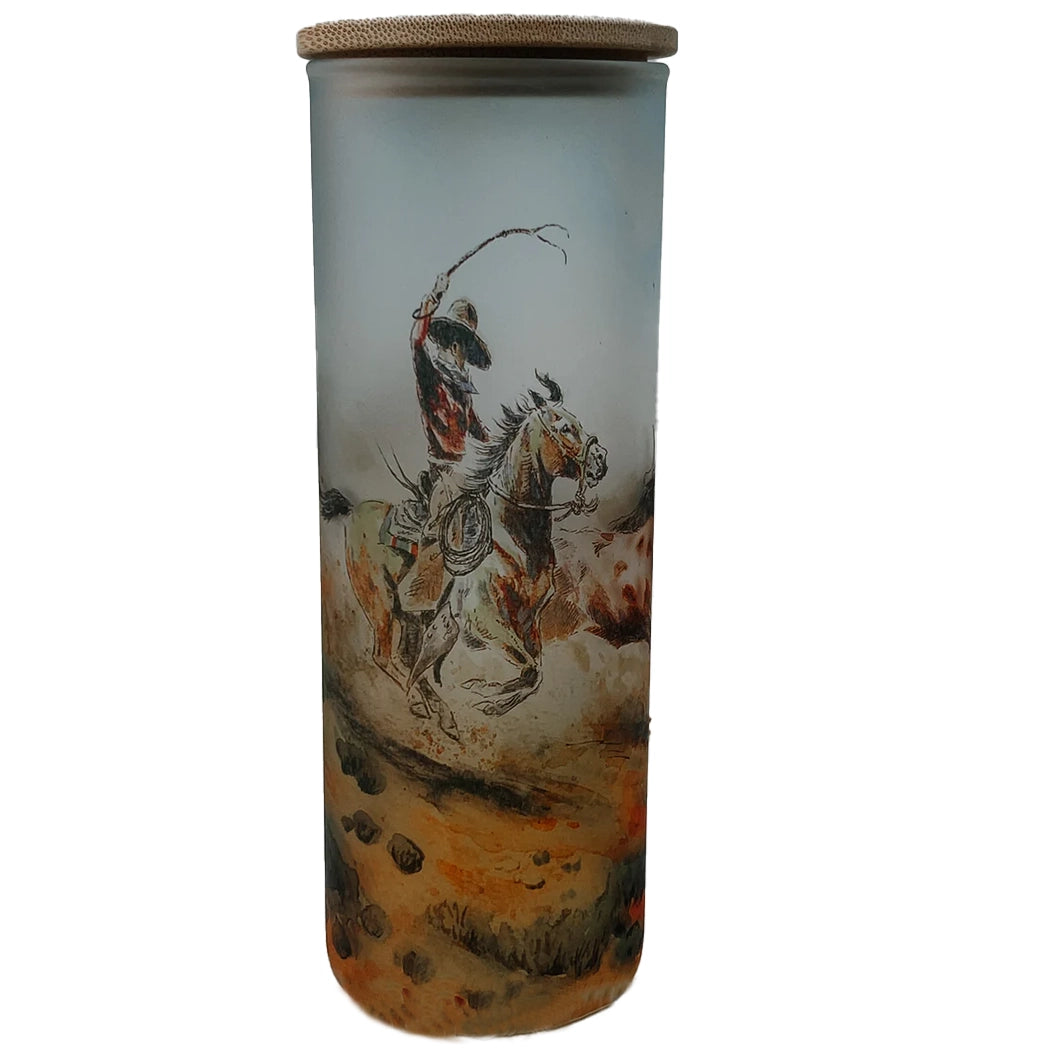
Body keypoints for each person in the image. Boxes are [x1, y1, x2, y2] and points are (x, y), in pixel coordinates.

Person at [398, 271, 491, 613]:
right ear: (452, 346)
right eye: (460, 346)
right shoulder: (432, 377)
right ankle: (419, 598)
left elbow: (477, 428)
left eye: (465, 347)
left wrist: (500, 447)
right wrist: (432, 298)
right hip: (443, 474)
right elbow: (416, 343)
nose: (462, 354)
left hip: (463, 471)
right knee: (445, 522)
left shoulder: (461, 390)